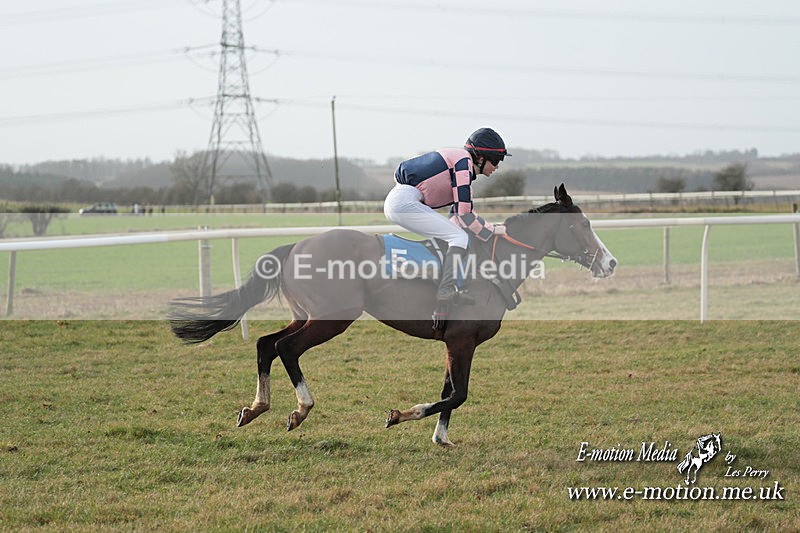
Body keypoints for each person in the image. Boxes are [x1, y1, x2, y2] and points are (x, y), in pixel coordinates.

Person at [383, 127, 510, 331]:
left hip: (403, 201)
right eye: (495, 160)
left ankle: (435, 280)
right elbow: (465, 216)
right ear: (481, 158)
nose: (497, 166)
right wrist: (491, 230)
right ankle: (446, 290)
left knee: (453, 237)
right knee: (459, 239)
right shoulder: (463, 162)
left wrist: (486, 229)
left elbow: (458, 214)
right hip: (404, 202)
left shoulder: (464, 167)